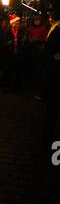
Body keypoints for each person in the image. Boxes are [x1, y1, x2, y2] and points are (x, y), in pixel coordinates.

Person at [41, 8, 60, 140]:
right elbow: (48, 52)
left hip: (55, 72)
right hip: (55, 72)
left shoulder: (56, 31)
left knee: (53, 107)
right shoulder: (55, 31)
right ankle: (48, 137)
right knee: (53, 107)